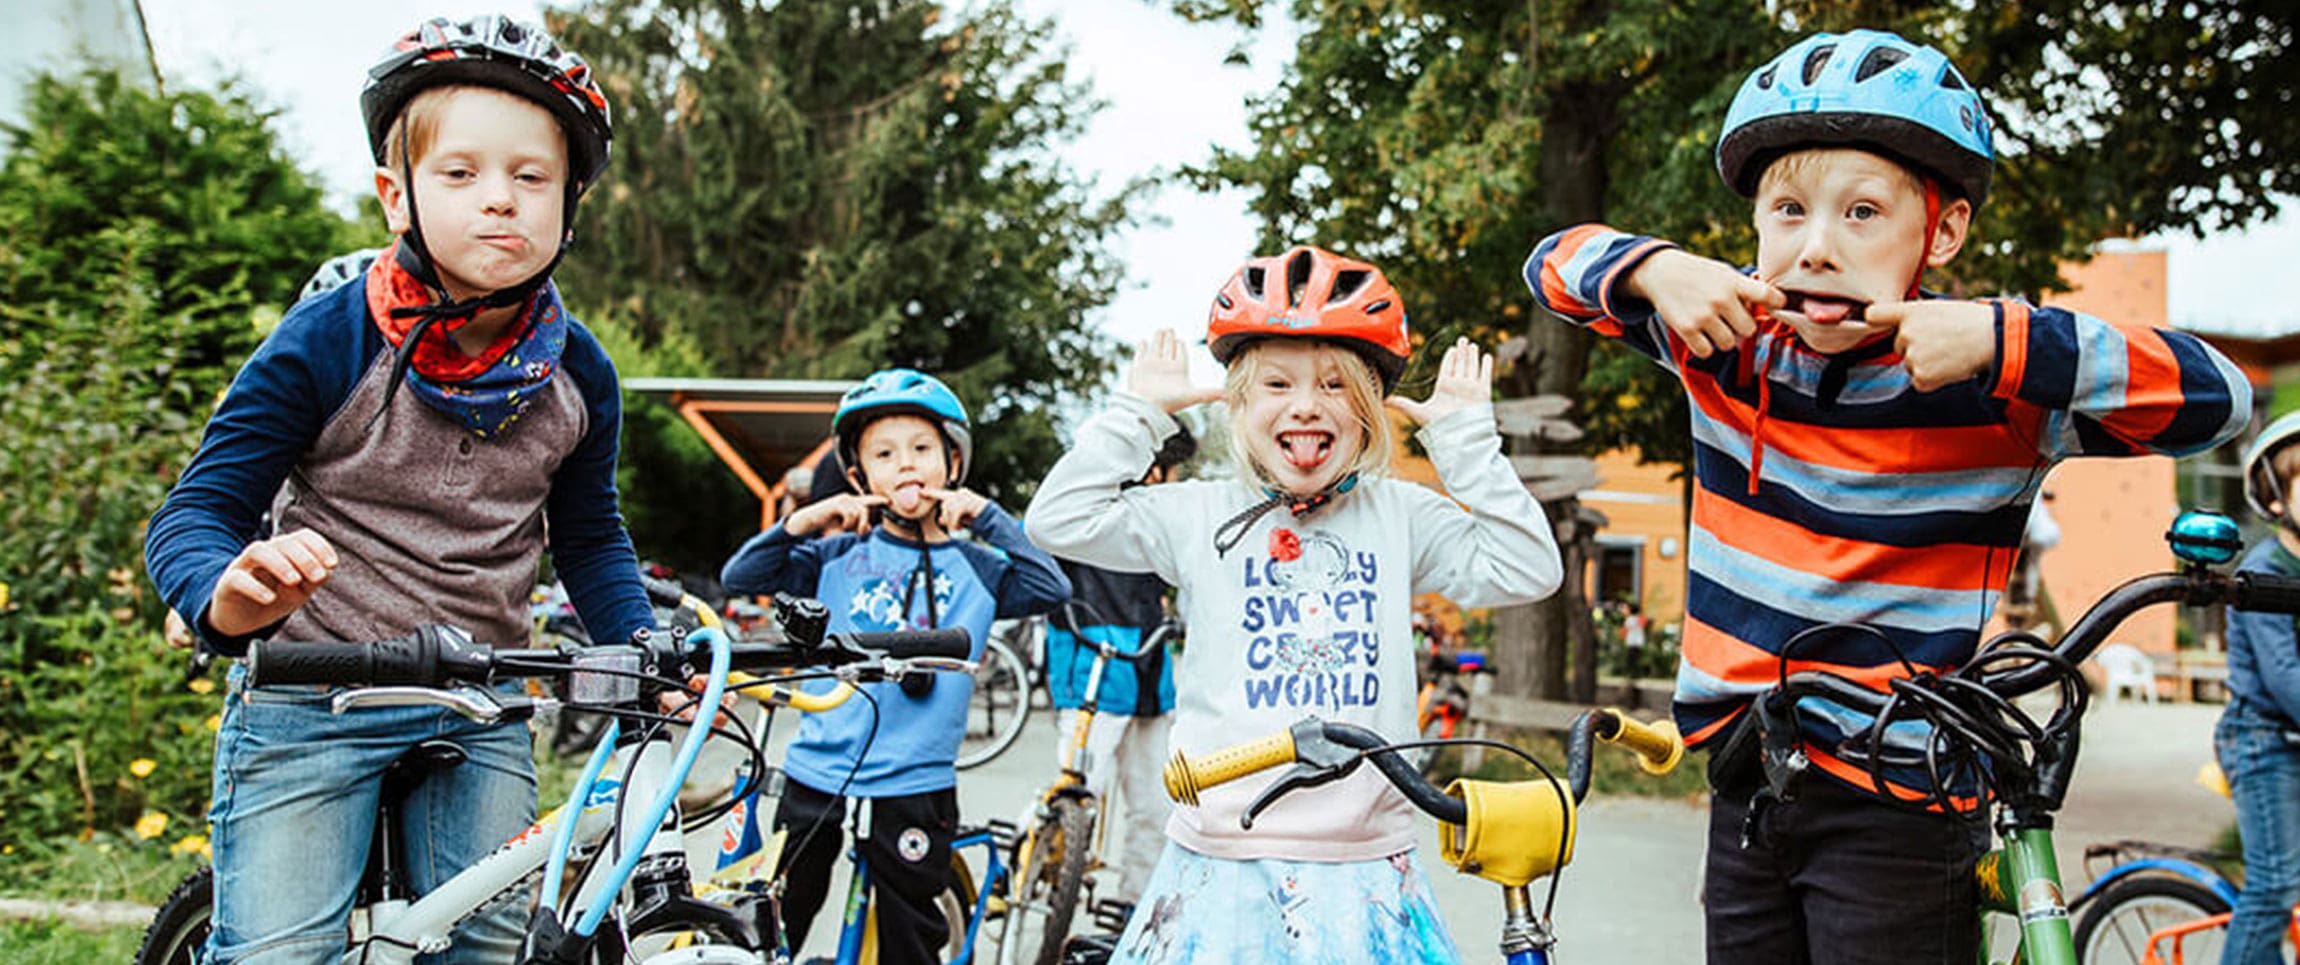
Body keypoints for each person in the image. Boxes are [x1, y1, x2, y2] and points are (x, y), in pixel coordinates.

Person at [1523, 29, 2251, 964]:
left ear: (1940, 233)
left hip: (1899, 798)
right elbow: (1554, 264)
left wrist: (2006, 339)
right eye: (1787, 211)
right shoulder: (1726, 346)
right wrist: (1653, 269)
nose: (1816, 248)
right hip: (1748, 776)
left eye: (1861, 213)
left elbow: (2218, 398)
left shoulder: (1999, 387)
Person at [142, 15, 651, 964]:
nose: (500, 200)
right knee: (277, 953)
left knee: (494, 950)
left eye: (531, 177)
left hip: (482, 697)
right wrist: (223, 589)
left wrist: (640, 642)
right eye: (460, 174)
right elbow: (197, 511)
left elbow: (590, 539)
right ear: (396, 195)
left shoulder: (582, 372)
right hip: (315, 694)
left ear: (569, 208)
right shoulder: (327, 340)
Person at [1029, 246, 1564, 963]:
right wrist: (1139, 415)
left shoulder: (1400, 514)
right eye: (1276, 382)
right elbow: (1057, 520)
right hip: (1219, 862)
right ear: (1237, 404)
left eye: (1337, 386)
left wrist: (1466, 444)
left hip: (1367, 868)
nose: (1306, 404)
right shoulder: (1198, 514)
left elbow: (1529, 567)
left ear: (1371, 411)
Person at [719, 368, 1069, 962]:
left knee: (912, 935)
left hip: (916, 783)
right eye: (884, 453)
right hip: (817, 774)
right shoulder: (835, 552)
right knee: (774, 922)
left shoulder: (978, 566)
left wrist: (986, 517)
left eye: (922, 449)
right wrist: (800, 521)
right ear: (859, 475)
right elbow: (741, 578)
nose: (905, 464)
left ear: (951, 463)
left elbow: (1050, 586)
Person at [1040, 422, 1197, 908]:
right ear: (1153, 470)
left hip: (1148, 658)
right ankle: (1044, 878)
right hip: (1093, 653)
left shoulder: (1158, 518)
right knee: (1082, 784)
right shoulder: (1086, 507)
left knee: (1155, 797)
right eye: (1172, 470)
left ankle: (1135, 903)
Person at [2219, 414, 2300, 964]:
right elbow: (2287, 680)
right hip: (2262, 742)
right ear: (2275, 498)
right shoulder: (2264, 573)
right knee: (2274, 884)